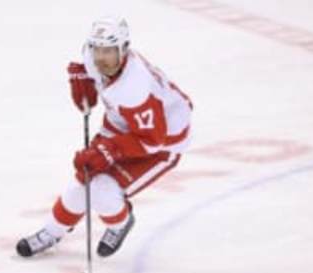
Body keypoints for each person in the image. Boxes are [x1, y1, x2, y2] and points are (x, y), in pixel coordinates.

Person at [16, 16, 193, 258]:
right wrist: (84, 82)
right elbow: (91, 72)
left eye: (109, 51)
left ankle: (121, 223)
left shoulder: (134, 87)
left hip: (162, 143)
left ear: (123, 49)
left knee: (103, 190)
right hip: (122, 124)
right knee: (85, 177)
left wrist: (109, 150)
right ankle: (52, 231)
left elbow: (153, 139)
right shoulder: (93, 58)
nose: (101, 58)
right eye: (98, 50)